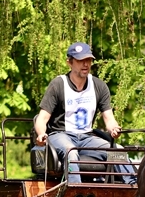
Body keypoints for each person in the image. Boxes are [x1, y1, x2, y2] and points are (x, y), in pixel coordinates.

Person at [34, 42, 137, 184]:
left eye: (88, 60)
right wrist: (40, 134)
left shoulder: (99, 86)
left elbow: (109, 119)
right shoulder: (58, 84)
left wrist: (114, 129)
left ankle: (134, 190)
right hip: (60, 135)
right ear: (69, 62)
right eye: (81, 60)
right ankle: (75, 191)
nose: (86, 64)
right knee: (71, 151)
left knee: (118, 151)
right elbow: (42, 119)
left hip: (87, 137)